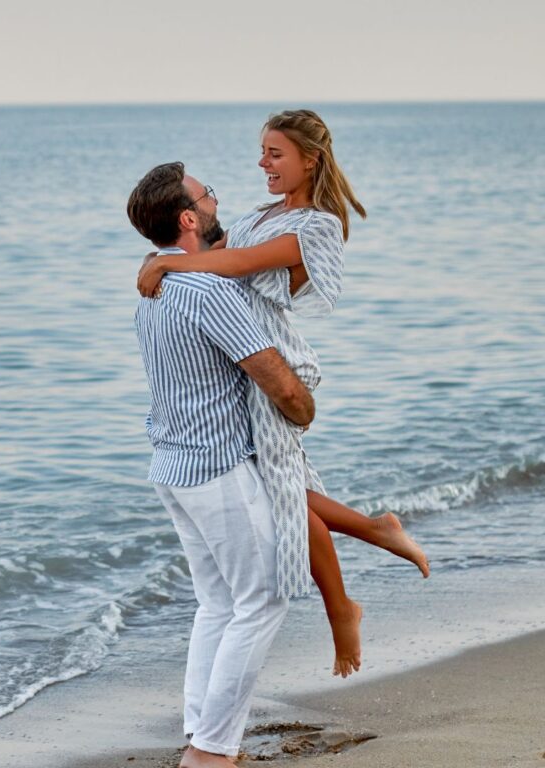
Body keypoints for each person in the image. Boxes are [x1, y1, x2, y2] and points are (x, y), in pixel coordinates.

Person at [137, 110, 429, 679]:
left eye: (275, 153)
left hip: (276, 360)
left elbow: (239, 263)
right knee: (283, 488)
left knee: (282, 489)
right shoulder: (263, 213)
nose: (262, 162)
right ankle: (369, 544)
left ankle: (345, 600)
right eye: (262, 152)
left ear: (309, 160)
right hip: (247, 361)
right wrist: (161, 257)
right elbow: (214, 256)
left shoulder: (316, 225)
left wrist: (167, 261)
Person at [128, 161, 315, 768]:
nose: (218, 203)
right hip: (217, 469)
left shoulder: (156, 290)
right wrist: (303, 407)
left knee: (218, 603)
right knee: (261, 601)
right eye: (208, 196)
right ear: (189, 217)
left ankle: (199, 730)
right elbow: (273, 379)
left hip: (173, 469)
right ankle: (211, 751)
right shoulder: (208, 291)